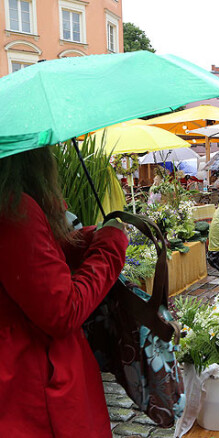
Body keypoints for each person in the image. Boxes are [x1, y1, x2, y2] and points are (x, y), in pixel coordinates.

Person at [0, 147, 128, 437]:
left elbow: (23, 267)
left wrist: (74, 242)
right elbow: (62, 311)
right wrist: (110, 246)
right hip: (32, 382)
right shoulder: (11, 206)